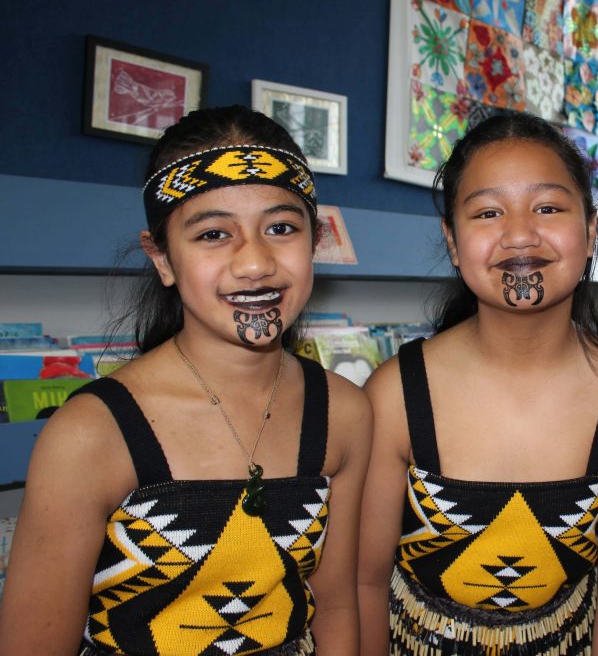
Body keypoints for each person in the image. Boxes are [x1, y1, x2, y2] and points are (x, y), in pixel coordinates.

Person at [0, 106, 372, 655]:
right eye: (214, 233)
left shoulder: (344, 411)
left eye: (281, 228)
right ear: (163, 259)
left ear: (315, 242)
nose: (255, 262)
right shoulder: (91, 434)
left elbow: (335, 605)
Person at [357, 112, 598, 655]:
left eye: (548, 208)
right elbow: (363, 583)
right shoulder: (395, 397)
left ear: (590, 231)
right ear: (452, 241)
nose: (520, 234)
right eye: (488, 212)